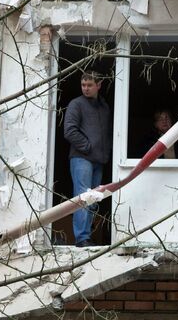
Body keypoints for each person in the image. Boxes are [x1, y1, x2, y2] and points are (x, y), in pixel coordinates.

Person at [63, 71, 112, 247]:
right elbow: (69, 131)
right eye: (83, 85)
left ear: (99, 85)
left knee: (93, 199)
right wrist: (87, 147)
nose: (85, 88)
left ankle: (87, 236)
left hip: (99, 160)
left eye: (89, 85)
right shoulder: (76, 104)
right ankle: (82, 238)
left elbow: (107, 134)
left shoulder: (104, 107)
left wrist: (105, 153)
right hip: (81, 158)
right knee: (83, 197)